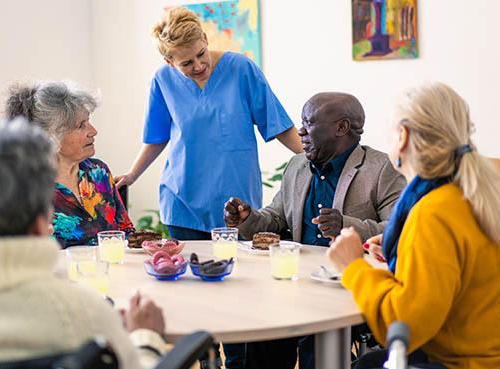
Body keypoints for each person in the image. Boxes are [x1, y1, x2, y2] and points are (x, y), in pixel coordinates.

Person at [224, 92, 405, 369]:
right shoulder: (297, 165)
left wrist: (345, 225)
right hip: (295, 281)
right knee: (263, 329)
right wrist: (248, 219)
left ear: (341, 128)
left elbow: (397, 232)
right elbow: (276, 218)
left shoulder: (381, 168)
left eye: (308, 123)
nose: (301, 131)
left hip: (347, 286)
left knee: (316, 339)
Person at [0, 118, 166, 368]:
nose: (92, 130)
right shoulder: (84, 314)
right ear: (43, 221)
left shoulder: (98, 171)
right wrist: (146, 339)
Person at [327, 82, 500, 369]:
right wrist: (407, 249)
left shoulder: (432, 212)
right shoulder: (475, 193)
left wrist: (353, 266)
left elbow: (403, 326)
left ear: (403, 136)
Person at [115, 6, 302, 242]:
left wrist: (313, 158)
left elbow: (277, 124)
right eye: (186, 63)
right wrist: (132, 174)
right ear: (170, 62)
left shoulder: (241, 69)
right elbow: (157, 136)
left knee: (241, 275)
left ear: (204, 38)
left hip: (236, 205)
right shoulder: (162, 80)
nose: (199, 65)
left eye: (201, 54)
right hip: (182, 201)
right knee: (189, 277)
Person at [5, 81, 134, 248]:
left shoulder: (98, 172)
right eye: (81, 126)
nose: (93, 131)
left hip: (109, 272)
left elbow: (126, 231)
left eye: (88, 121)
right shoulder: (25, 188)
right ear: (50, 136)